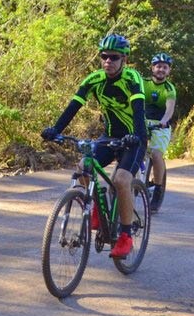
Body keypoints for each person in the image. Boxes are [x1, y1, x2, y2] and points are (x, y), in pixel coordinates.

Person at [41, 34, 148, 260]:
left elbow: (139, 110)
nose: (108, 61)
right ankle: (97, 208)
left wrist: (136, 136)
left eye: (114, 57)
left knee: (121, 180)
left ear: (124, 59)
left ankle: (126, 236)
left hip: (134, 138)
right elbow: (73, 106)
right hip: (109, 136)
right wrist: (55, 129)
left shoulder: (132, 78)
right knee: (83, 167)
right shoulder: (94, 80)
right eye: (104, 56)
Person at [142, 52, 177, 212]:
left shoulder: (169, 89)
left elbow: (169, 109)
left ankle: (157, 189)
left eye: (164, 67)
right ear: (152, 68)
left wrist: (164, 121)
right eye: (158, 66)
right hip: (142, 122)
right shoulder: (143, 83)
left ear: (169, 70)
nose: (161, 69)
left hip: (160, 125)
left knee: (156, 154)